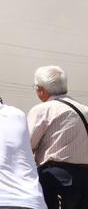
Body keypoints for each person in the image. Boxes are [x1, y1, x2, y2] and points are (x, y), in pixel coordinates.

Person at [27, 66, 88, 209]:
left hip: (56, 178)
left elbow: (27, 144)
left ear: (41, 89)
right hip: (84, 179)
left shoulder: (43, 110)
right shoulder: (85, 109)